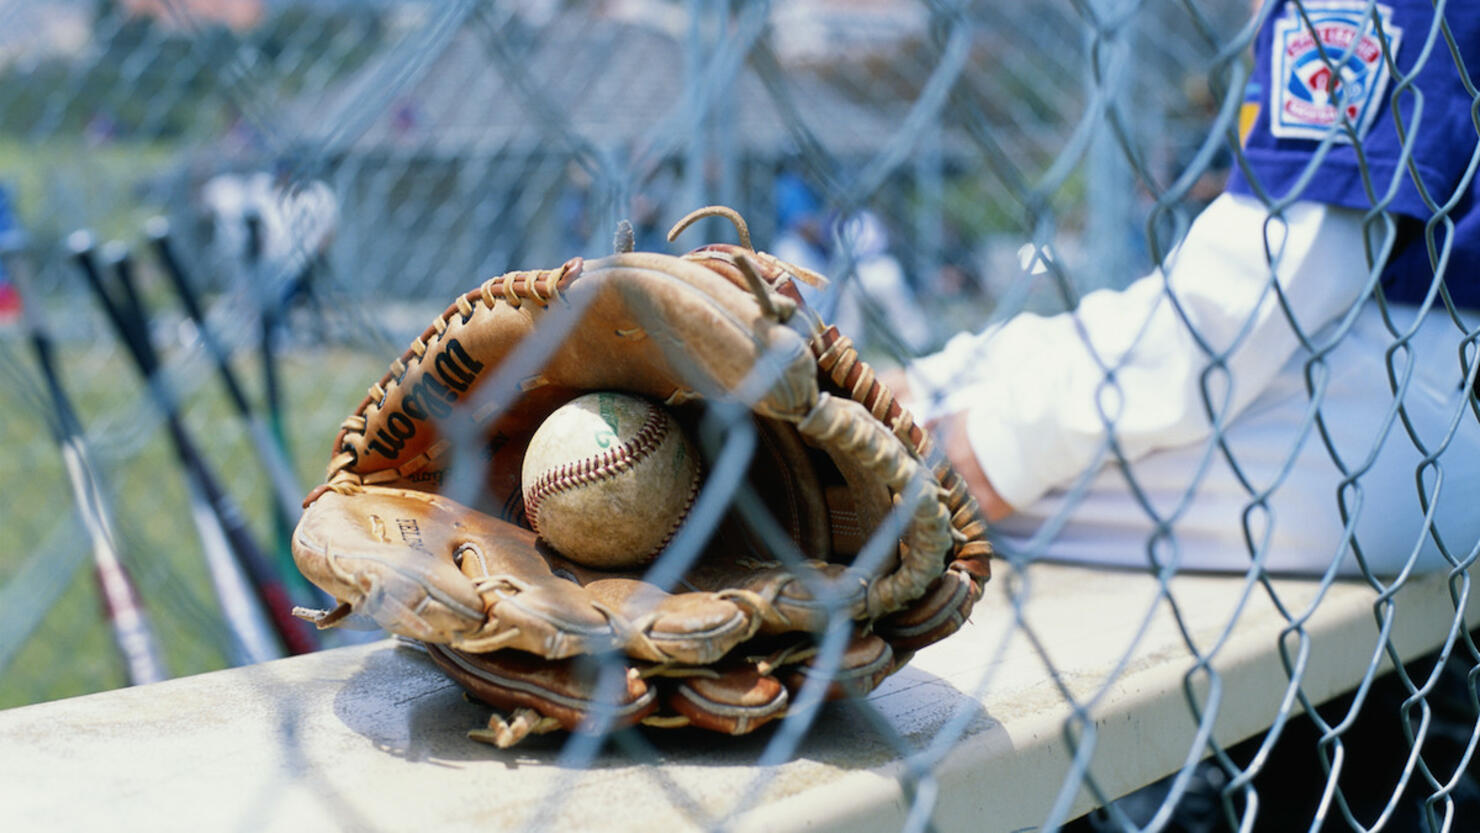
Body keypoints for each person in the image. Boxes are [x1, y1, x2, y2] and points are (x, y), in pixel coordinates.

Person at [896, 0, 1480, 577]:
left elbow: (1240, 305)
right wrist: (949, 374)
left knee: (929, 482)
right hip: (1427, 398)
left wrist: (992, 447)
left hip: (1383, 435)